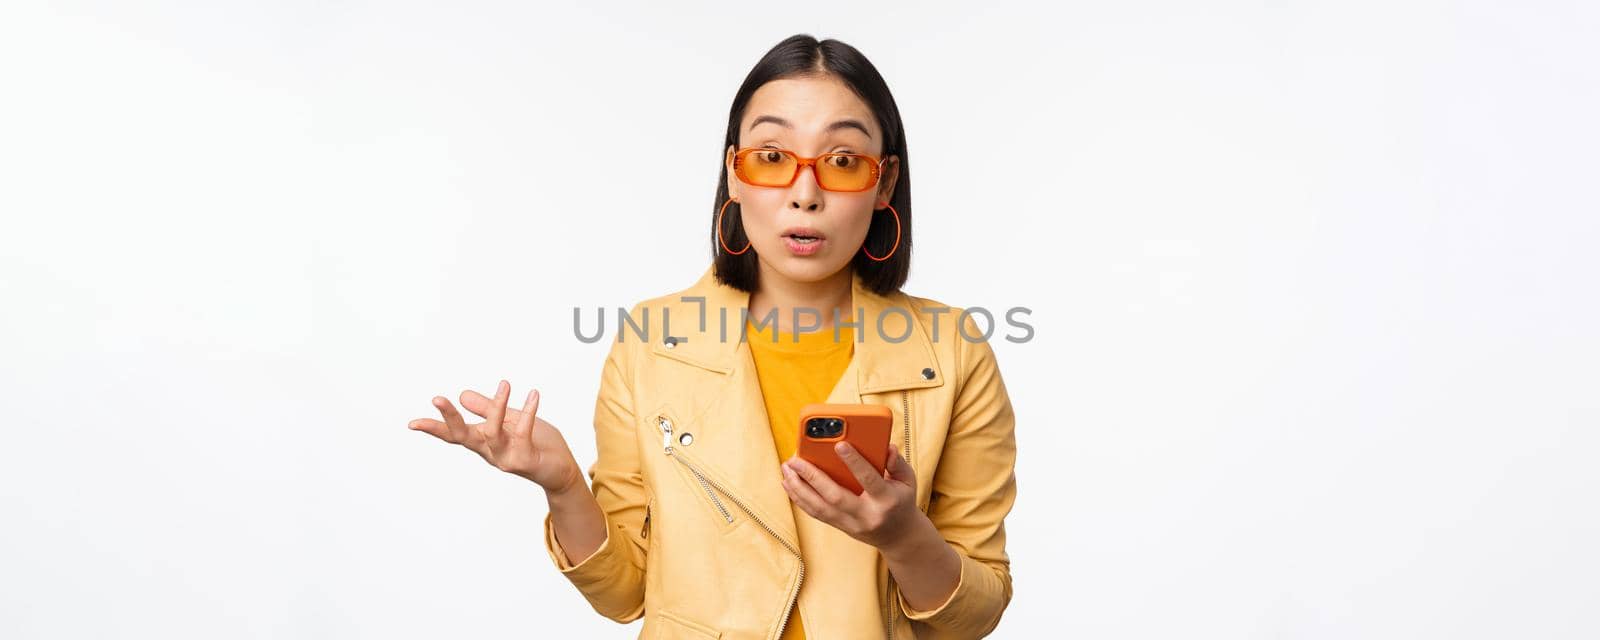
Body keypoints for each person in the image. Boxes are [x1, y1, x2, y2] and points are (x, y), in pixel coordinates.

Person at [408, 34, 1018, 639]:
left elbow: (975, 616)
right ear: (734, 173)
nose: (805, 195)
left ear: (884, 185)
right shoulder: (649, 342)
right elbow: (625, 594)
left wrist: (902, 535)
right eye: (772, 157)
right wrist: (564, 485)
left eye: (842, 162)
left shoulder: (953, 349)